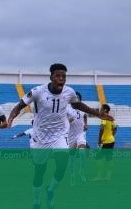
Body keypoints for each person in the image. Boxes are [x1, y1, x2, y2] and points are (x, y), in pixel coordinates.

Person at [7, 63, 113, 209]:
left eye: (63, 76)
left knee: (62, 164)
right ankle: (37, 201)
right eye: (58, 75)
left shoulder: (69, 92)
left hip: (60, 134)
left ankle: (50, 190)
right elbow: (19, 106)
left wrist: (98, 114)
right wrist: (11, 117)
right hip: (41, 137)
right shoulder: (38, 91)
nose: (61, 79)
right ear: (51, 77)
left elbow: (79, 105)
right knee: (39, 172)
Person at [67, 91, 88, 185]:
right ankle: (72, 175)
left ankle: (82, 172)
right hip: (70, 136)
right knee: (71, 159)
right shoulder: (66, 109)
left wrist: (86, 124)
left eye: (78, 98)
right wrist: (68, 120)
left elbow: (85, 116)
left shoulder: (82, 109)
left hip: (81, 134)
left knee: (82, 152)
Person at [92, 104, 117, 181]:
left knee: (97, 158)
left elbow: (101, 129)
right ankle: (108, 176)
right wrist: (111, 136)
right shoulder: (111, 119)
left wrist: (99, 140)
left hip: (105, 142)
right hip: (111, 141)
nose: (100, 110)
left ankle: (99, 176)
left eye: (101, 109)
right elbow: (115, 129)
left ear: (105, 110)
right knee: (109, 158)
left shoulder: (104, 118)